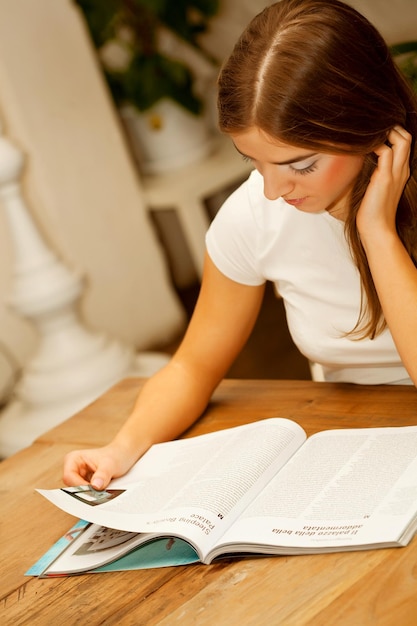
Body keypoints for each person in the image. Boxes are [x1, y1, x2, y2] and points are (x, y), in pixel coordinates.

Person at [63, 0, 417, 490]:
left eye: (300, 165)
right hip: (357, 448)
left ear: (372, 127)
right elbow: (193, 365)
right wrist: (121, 449)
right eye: (254, 161)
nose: (274, 190)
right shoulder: (256, 212)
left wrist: (377, 234)